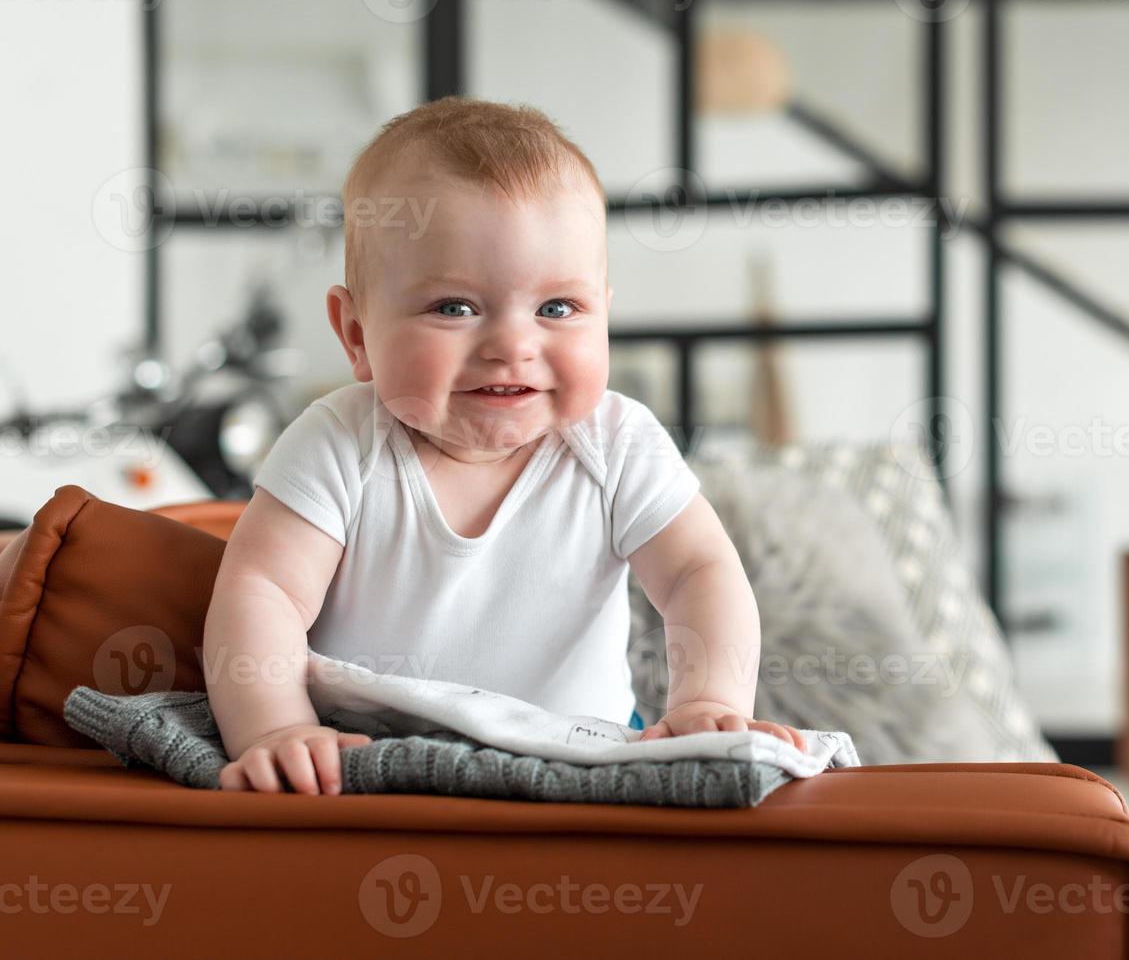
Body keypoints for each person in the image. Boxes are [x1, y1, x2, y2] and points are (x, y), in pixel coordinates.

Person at [202, 96, 805, 795]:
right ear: (357, 333)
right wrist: (276, 728)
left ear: (603, 313)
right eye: (453, 308)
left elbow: (699, 572)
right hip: (378, 762)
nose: (513, 347)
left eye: (557, 309)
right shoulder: (337, 442)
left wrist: (706, 701)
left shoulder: (616, 442)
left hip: (578, 760)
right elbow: (262, 591)